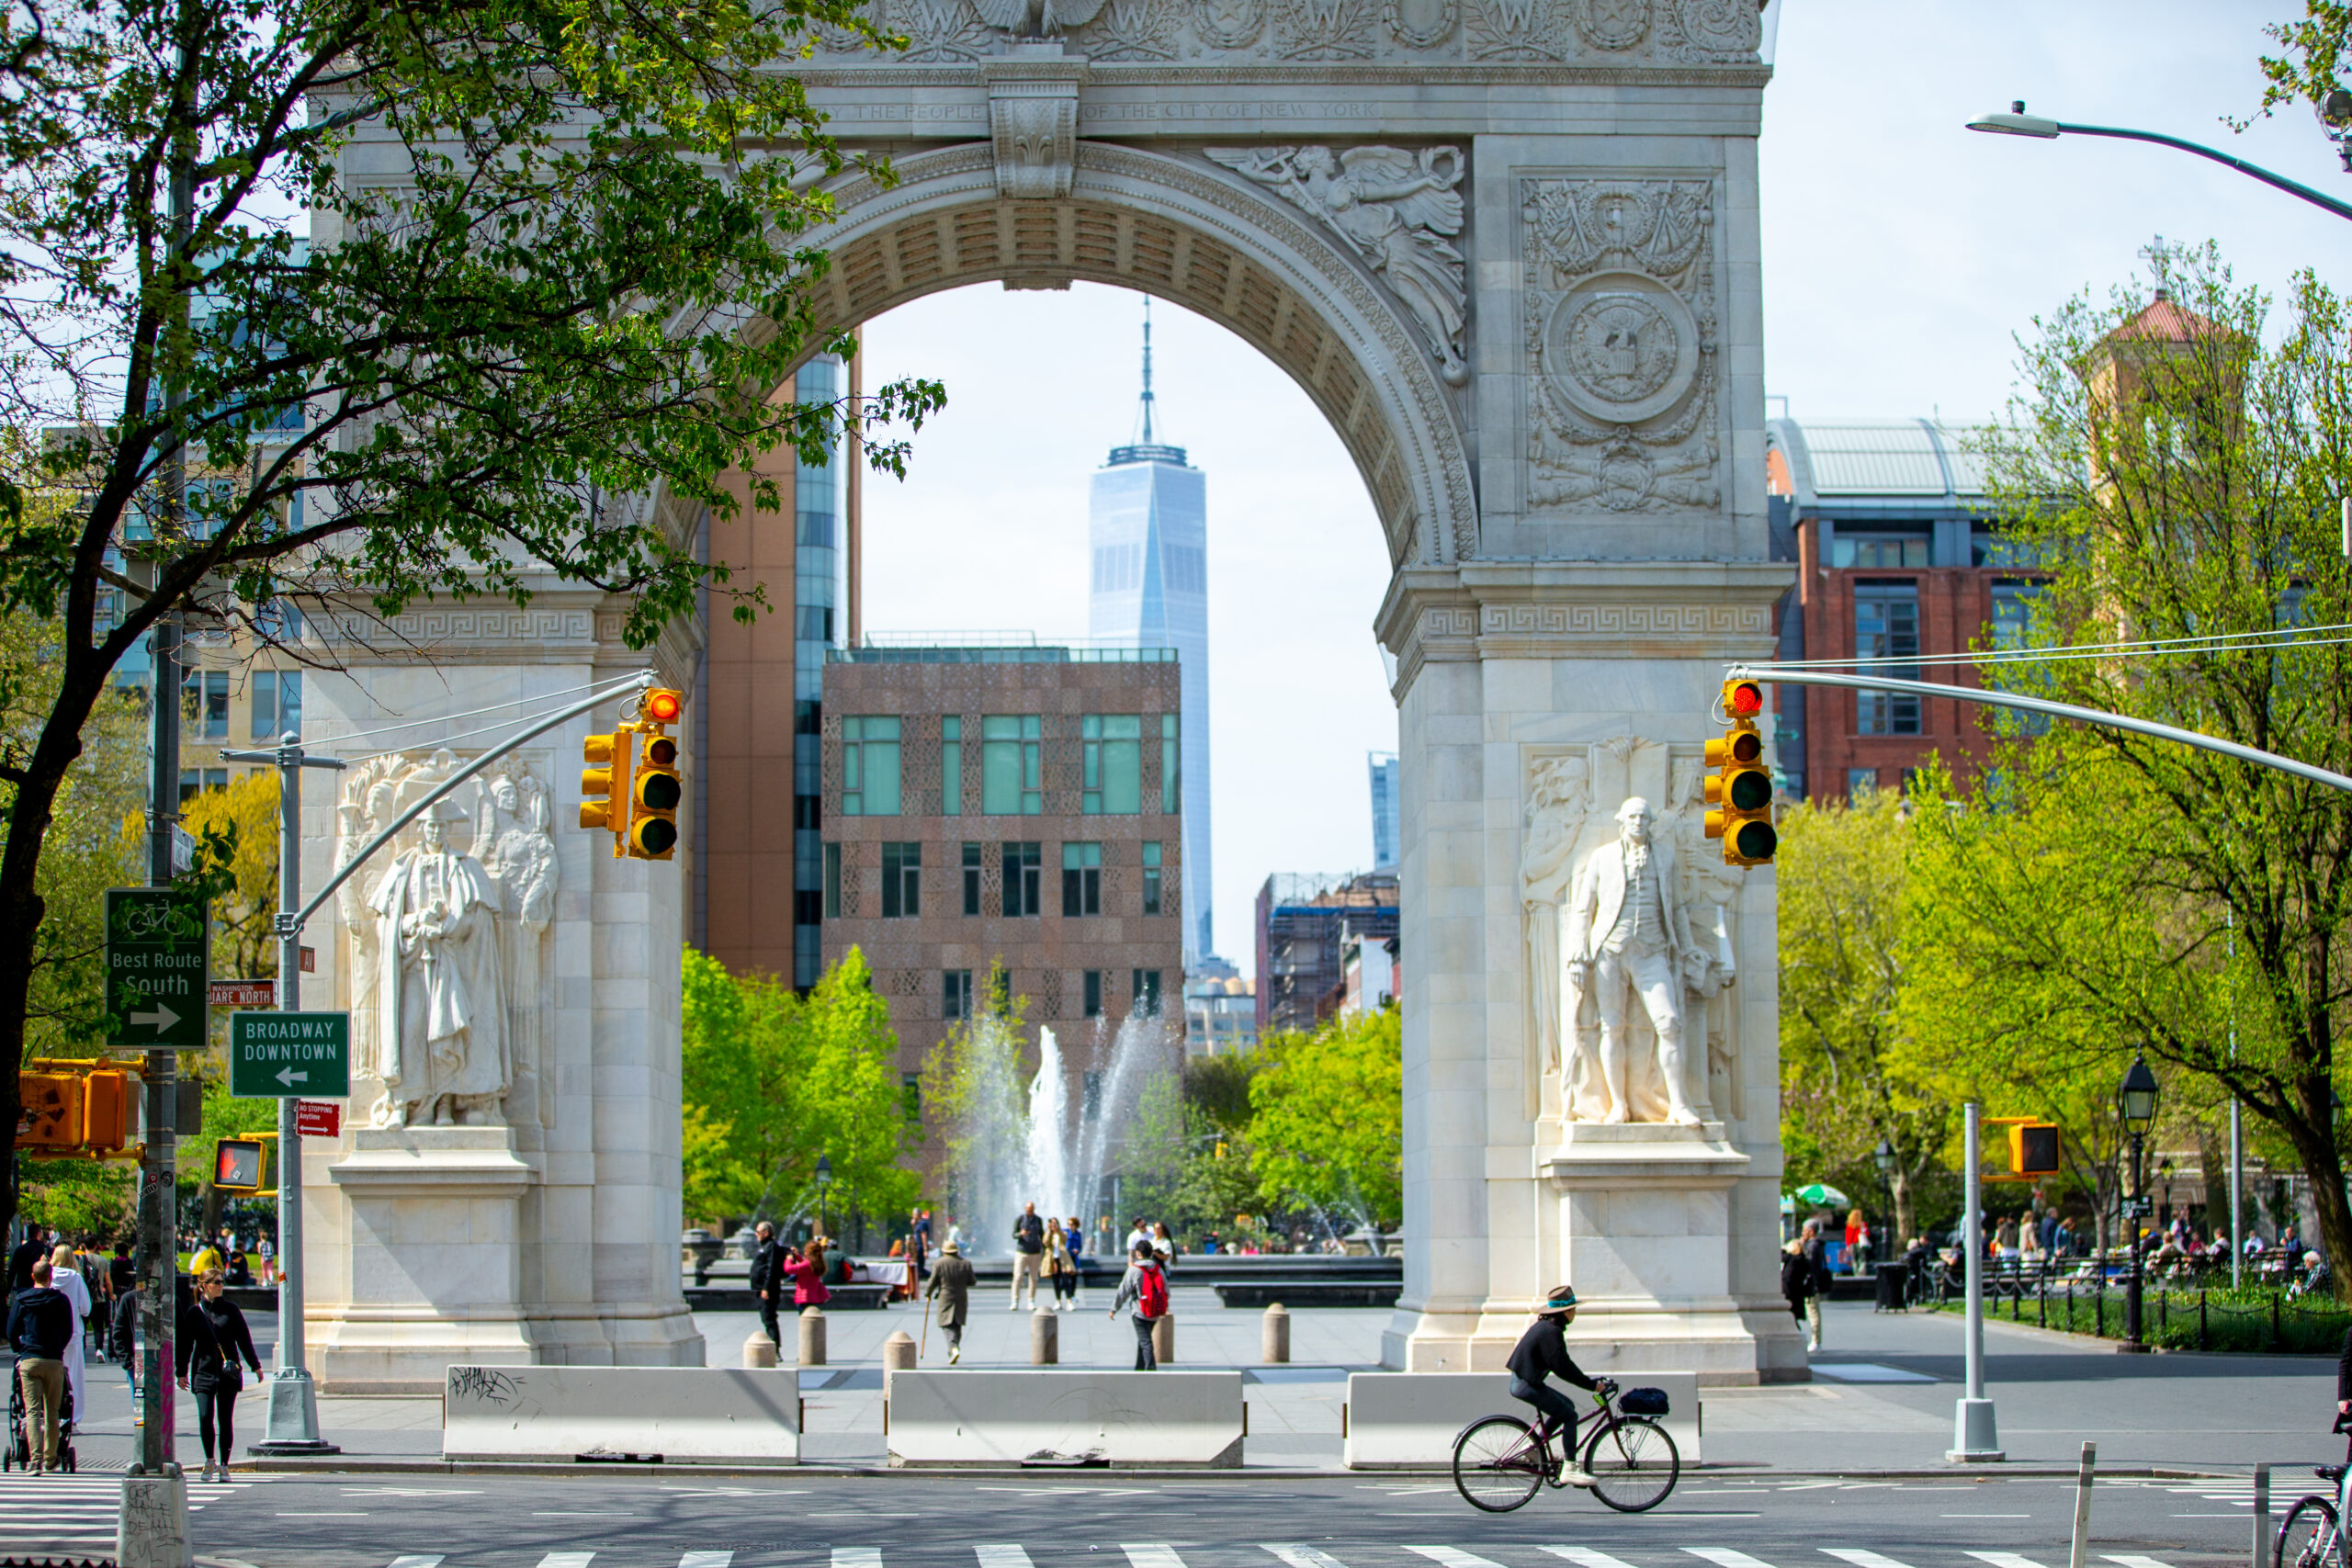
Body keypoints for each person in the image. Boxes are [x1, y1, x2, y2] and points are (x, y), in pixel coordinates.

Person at [1506, 1285, 1611, 1487]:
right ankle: (1570, 1468)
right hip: (1525, 1385)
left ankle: (1534, 1447)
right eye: (1573, 1309)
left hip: (1525, 1381)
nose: (1575, 1313)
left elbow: (1563, 1365)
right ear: (1566, 1312)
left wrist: (1589, 1382)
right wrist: (1591, 1385)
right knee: (1570, 1416)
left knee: (1567, 1406)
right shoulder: (1551, 1333)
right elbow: (1563, 1367)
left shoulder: (1547, 1328)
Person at [177, 1266, 265, 1483]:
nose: (221, 1286)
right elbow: (185, 1344)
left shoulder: (231, 1310)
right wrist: (181, 1372)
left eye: (222, 1281)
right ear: (204, 1285)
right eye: (216, 1282)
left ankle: (225, 1465)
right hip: (203, 1372)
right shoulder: (194, 1312)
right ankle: (209, 1461)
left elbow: (244, 1339)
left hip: (228, 1374)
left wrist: (255, 1365)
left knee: (225, 1420)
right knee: (205, 1417)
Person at [7, 1259, 73, 1472]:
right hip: (54, 1360)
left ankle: (34, 1460)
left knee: (32, 1412)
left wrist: (20, 1349)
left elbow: (11, 1331)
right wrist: (58, 1348)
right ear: (50, 1276)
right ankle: (50, 1457)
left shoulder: (22, 1300)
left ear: (32, 1276)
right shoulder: (61, 1300)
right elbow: (68, 1330)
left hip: (30, 1360)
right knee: (52, 1411)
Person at [46, 1243, 92, 1441]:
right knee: (74, 1377)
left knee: (51, 1376)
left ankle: (50, 1415)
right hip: (73, 1333)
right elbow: (85, 1308)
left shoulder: (46, 1276)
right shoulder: (75, 1278)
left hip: (49, 1335)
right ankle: (72, 1419)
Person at [1110, 1240, 1169, 1370]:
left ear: (1137, 1253)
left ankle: (1151, 1369)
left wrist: (1114, 1309)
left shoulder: (1134, 1270)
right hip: (1155, 1312)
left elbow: (1123, 1291)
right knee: (1143, 1338)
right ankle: (1139, 1368)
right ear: (1151, 1253)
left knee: (1145, 1341)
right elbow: (1166, 1291)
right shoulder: (1158, 1269)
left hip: (1140, 1311)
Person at [925, 1238, 975, 1363]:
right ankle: (954, 1347)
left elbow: (932, 1281)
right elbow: (972, 1281)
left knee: (947, 1324)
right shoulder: (966, 1263)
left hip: (945, 1296)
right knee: (957, 1323)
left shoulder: (939, 1263)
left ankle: (953, 1348)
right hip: (961, 1296)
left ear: (944, 1251)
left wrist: (928, 1293)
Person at [749, 1220, 784, 1348]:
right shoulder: (766, 1246)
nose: (756, 1235)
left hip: (767, 1290)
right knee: (766, 1318)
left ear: (766, 1233)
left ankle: (774, 1349)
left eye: (758, 1232)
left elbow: (772, 1268)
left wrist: (766, 1288)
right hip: (760, 1289)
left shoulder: (771, 1246)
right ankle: (773, 1347)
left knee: (769, 1319)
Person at [1781, 1236, 1816, 1348]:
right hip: (1798, 1295)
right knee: (1793, 1320)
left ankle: (1796, 1344)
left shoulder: (1792, 1261)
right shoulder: (1803, 1261)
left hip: (1790, 1295)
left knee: (1790, 1321)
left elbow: (1787, 1279)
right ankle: (1797, 1343)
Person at [1799, 1219, 1829, 1352]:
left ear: (1811, 1231)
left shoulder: (1812, 1246)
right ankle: (1816, 1340)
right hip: (1815, 1282)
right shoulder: (1817, 1245)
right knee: (1813, 1311)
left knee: (1813, 1312)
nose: (1802, 1233)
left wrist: (1801, 1246)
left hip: (1812, 1284)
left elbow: (1809, 1266)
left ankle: (1816, 1341)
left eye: (1804, 1230)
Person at [1010, 1201, 1046, 1310]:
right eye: (1027, 1210)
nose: (1029, 1212)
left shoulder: (1038, 1220)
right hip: (1022, 1252)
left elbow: (1042, 1235)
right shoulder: (1020, 1219)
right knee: (1018, 1276)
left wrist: (1044, 1250)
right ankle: (1015, 1300)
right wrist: (1021, 1234)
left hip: (1035, 1252)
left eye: (1031, 1210)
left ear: (1034, 1209)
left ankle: (1031, 1300)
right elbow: (1013, 1234)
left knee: (1034, 1278)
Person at [785, 1239, 832, 1309]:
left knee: (805, 1319)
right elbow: (804, 1266)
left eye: (805, 1250)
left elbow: (789, 1269)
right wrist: (797, 1256)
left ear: (808, 1252)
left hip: (805, 1298)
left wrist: (789, 1259)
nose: (804, 1252)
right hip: (814, 1297)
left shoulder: (808, 1264)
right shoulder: (817, 1262)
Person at [1045, 1219, 1077, 1313]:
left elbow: (1064, 1239)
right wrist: (1049, 1230)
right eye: (1052, 1224)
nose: (1054, 1225)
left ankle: (1069, 1301)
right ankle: (1058, 1300)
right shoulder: (1049, 1234)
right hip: (1053, 1260)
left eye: (1055, 1223)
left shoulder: (1062, 1233)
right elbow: (1045, 1242)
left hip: (1063, 1260)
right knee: (1056, 1281)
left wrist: (1058, 1231)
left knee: (1066, 1280)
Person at [1063, 1216, 1088, 1308]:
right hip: (1066, 1257)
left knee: (1073, 1278)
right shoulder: (1065, 1232)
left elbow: (1080, 1246)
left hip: (1074, 1257)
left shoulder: (1078, 1234)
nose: (1070, 1226)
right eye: (1069, 1224)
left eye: (1072, 1224)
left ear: (1076, 1225)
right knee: (1066, 1277)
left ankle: (1072, 1295)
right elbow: (1065, 1244)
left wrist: (1077, 1250)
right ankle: (1068, 1295)